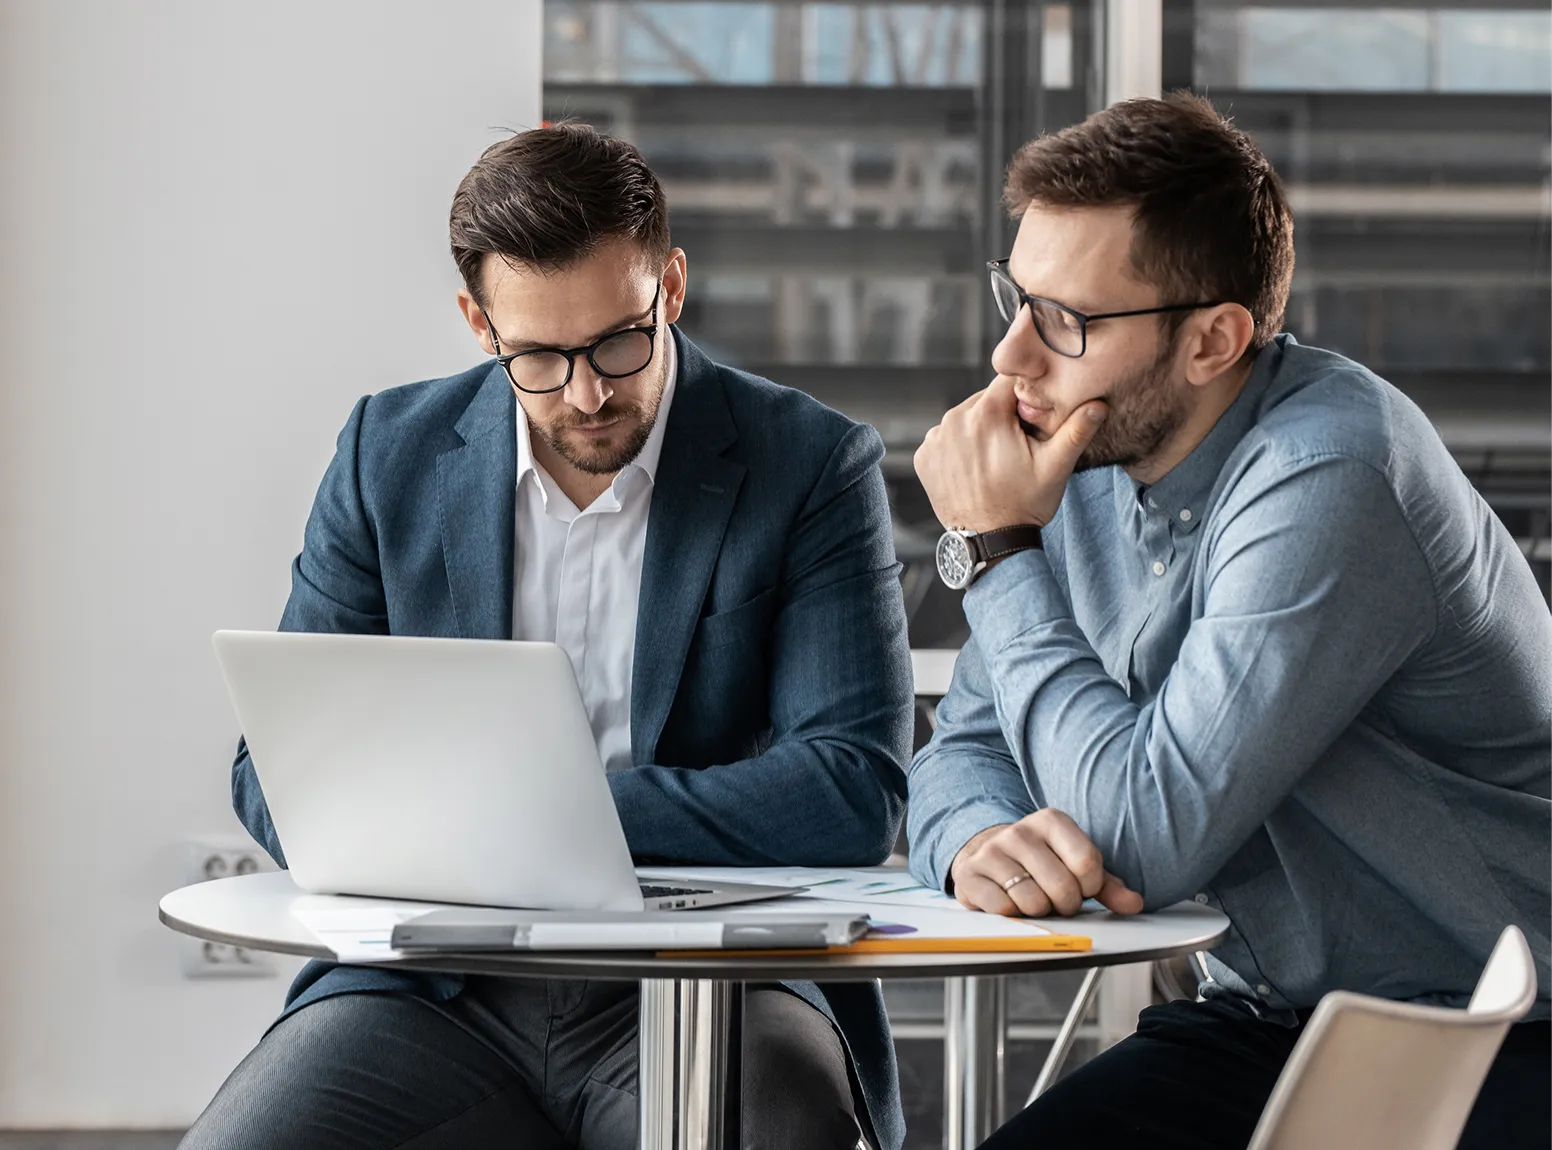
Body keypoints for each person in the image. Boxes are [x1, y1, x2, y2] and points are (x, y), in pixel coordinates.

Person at [182, 123, 915, 1150]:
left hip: (709, 976)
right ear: (478, 324)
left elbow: (851, 788)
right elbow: (274, 772)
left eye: (619, 340)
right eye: (538, 355)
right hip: (434, 992)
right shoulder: (382, 457)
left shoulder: (809, 462)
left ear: (670, 284)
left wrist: (538, 814)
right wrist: (477, 831)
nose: (587, 393)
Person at [907, 93, 1550, 1149]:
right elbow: (969, 740)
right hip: (1267, 1016)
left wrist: (993, 550)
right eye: (1013, 300)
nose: (1011, 359)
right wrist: (973, 834)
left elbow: (1141, 835)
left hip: (1488, 1035)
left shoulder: (1332, 472)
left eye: (1064, 321)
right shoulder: (1084, 455)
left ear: (1214, 338)